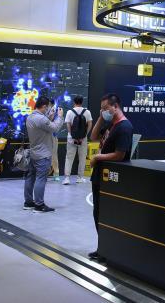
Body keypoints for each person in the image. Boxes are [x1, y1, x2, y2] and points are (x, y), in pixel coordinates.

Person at [87, 93, 133, 262]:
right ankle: (103, 248)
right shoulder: (112, 125)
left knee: (106, 215)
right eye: (101, 109)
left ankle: (108, 251)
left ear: (116, 107)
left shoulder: (124, 127)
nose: (104, 111)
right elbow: (93, 137)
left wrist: (98, 157)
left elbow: (120, 155)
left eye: (106, 109)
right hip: (100, 177)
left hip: (111, 179)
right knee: (98, 213)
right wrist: (101, 117)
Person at [24, 96, 63, 212]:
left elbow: (43, 127)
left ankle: (28, 202)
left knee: (30, 178)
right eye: (48, 107)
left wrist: (49, 117)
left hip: (33, 152)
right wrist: (60, 117)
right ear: (45, 106)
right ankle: (39, 205)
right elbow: (55, 128)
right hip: (43, 154)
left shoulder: (30, 117)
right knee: (41, 179)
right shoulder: (41, 119)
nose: (49, 109)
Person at [63, 95, 93, 184]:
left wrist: (72, 135)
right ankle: (80, 178)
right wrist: (84, 135)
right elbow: (90, 124)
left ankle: (67, 178)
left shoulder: (69, 112)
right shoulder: (87, 112)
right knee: (82, 158)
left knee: (69, 157)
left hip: (71, 139)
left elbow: (68, 125)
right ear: (82, 102)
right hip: (83, 139)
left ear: (74, 102)